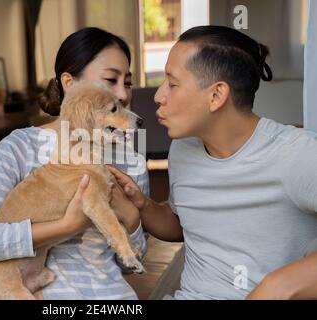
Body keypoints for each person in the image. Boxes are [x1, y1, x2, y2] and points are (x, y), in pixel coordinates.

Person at [108, 25, 317, 300]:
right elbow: (186, 224)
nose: (158, 96)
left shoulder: (296, 154)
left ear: (216, 95)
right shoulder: (183, 149)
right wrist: (143, 207)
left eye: (172, 84)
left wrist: (278, 286)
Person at [0, 27, 149, 300]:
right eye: (110, 80)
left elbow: (132, 264)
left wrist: (131, 215)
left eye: (127, 82)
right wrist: (66, 226)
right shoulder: (19, 147)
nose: (123, 94)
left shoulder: (132, 161)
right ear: (70, 83)